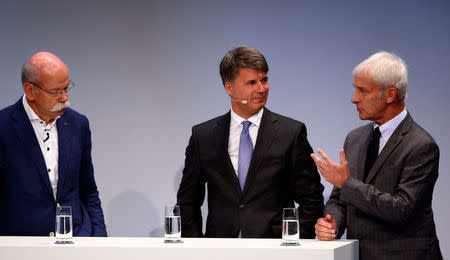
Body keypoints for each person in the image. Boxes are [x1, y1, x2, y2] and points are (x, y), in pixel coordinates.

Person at [177, 45, 324, 238]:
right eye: (252, 82)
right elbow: (188, 201)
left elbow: (311, 199)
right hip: (220, 249)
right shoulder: (203, 136)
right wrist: (196, 248)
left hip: (275, 250)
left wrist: (295, 246)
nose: (261, 89)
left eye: (264, 80)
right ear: (229, 87)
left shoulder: (291, 133)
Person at [311, 51, 442, 259]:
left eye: (363, 91)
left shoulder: (421, 146)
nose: (354, 99)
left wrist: (346, 183)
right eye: (355, 89)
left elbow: (400, 210)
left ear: (390, 95)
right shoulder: (355, 139)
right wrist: (332, 222)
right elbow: (339, 199)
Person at [0, 52, 107, 237]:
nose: (64, 98)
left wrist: (100, 238)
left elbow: (88, 189)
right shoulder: (3, 126)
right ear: (30, 91)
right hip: (22, 246)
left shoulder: (78, 124)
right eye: (56, 92)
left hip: (75, 241)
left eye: (66, 88)